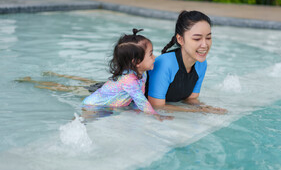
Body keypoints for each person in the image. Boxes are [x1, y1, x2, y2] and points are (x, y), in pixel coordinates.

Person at [17, 29, 172, 121]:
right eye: (151, 54)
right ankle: (33, 82)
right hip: (94, 106)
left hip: (107, 104)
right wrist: (157, 116)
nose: (155, 57)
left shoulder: (142, 74)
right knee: (79, 123)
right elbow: (141, 101)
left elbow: (137, 99)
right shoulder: (129, 80)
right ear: (136, 62)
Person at [146, 10, 227, 114]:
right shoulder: (165, 64)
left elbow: (190, 99)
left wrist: (207, 108)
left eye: (208, 38)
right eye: (197, 39)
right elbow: (156, 106)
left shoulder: (201, 63)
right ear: (180, 39)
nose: (204, 45)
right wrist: (196, 111)